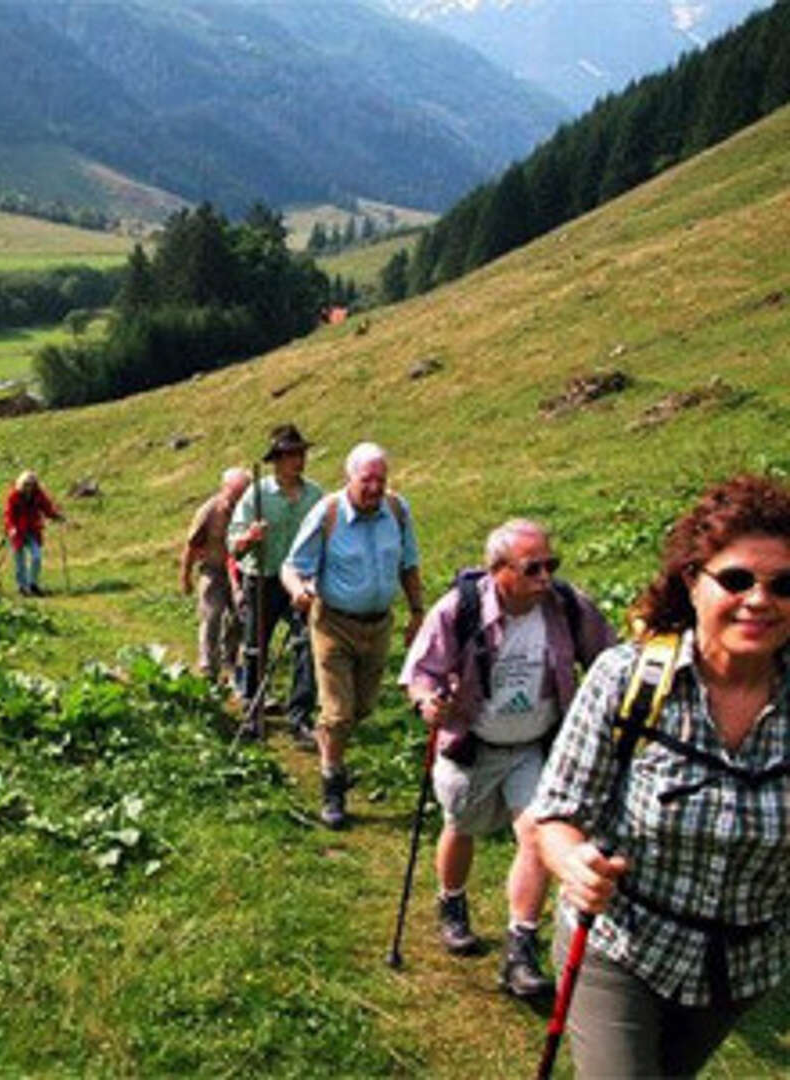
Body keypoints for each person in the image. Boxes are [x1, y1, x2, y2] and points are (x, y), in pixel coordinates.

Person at [531, 474, 790, 1077]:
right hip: (620, 944)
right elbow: (554, 815)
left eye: (784, 585)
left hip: (740, 967)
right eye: (736, 579)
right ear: (692, 582)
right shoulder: (629, 680)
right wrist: (574, 864)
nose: (759, 599)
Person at [401, 519, 617, 997]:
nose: (545, 577)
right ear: (497, 570)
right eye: (532, 568)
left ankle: (520, 948)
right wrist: (429, 702)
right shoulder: (461, 608)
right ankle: (452, 902)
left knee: (537, 836)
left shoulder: (564, 606)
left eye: (550, 565)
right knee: (461, 826)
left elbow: (610, 655)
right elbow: (421, 671)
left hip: (537, 746)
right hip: (473, 745)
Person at [282, 442, 425, 828]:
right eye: (368, 480)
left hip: (379, 625)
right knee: (339, 713)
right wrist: (298, 590)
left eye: (382, 479)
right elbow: (293, 565)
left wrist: (416, 612)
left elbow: (409, 563)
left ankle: (329, 740)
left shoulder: (396, 510)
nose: (376, 487)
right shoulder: (327, 513)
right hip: (333, 624)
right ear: (349, 478)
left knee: (362, 708)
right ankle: (333, 789)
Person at [226, 424, 322, 740]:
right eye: (291, 455)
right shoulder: (257, 494)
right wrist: (249, 537)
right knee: (256, 647)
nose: (298, 460)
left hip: (300, 582)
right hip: (263, 578)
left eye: (301, 453)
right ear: (276, 459)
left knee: (306, 644)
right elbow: (232, 543)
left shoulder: (315, 496)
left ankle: (300, 717)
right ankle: (252, 712)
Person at [181, 466, 253, 683]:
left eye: (243, 494)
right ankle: (207, 666)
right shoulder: (209, 511)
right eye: (235, 494)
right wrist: (185, 576)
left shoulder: (251, 510)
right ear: (224, 489)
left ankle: (230, 660)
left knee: (242, 616)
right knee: (211, 615)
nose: (239, 500)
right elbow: (192, 545)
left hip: (241, 570)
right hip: (213, 569)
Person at [4, 471, 62, 597]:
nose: (29, 487)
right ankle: (22, 588)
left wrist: (56, 516)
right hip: (17, 532)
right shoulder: (13, 495)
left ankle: (33, 584)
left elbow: (47, 508)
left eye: (32, 484)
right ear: (21, 484)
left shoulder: (38, 494)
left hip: (32, 530)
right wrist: (11, 528)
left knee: (37, 556)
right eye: (26, 484)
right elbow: (8, 515)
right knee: (20, 561)